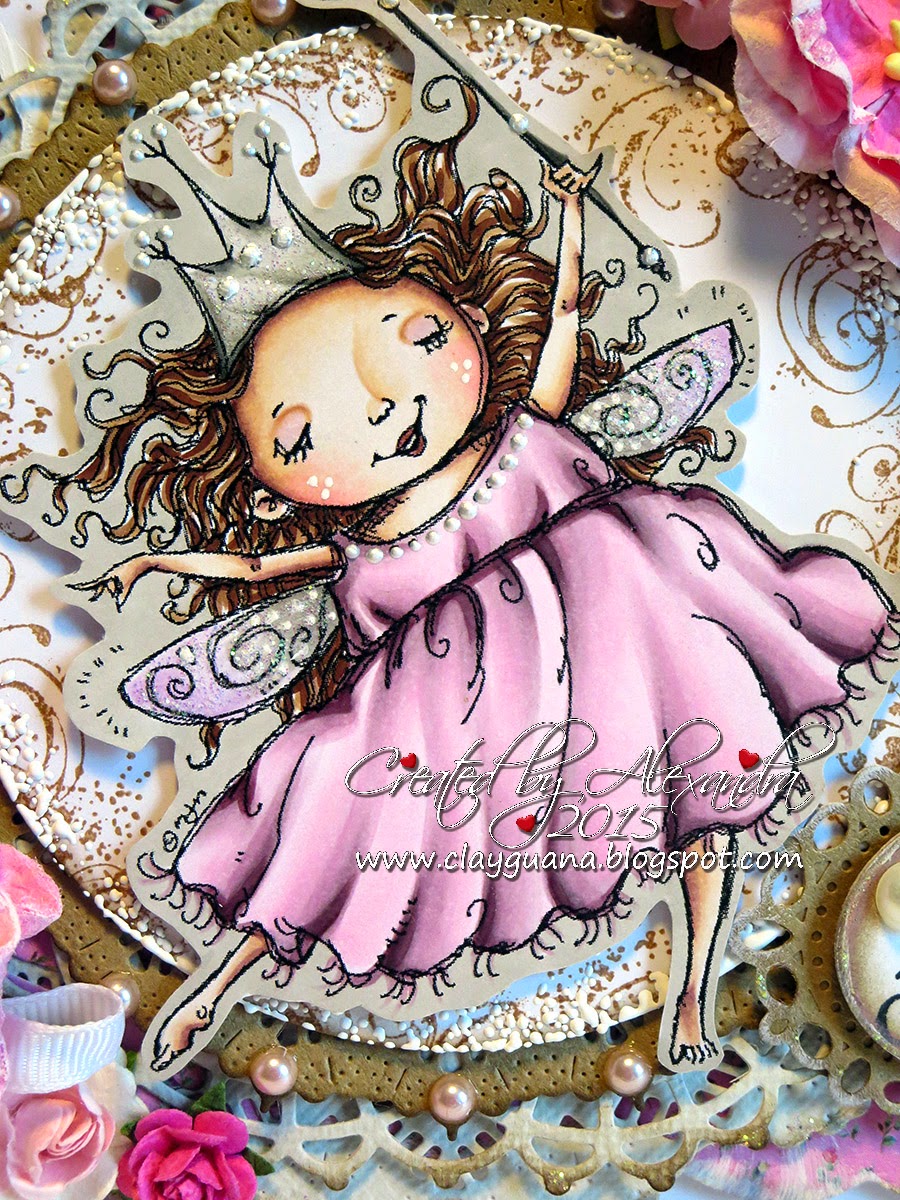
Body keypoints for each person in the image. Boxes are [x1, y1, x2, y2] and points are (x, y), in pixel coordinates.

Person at [7, 89, 896, 1075]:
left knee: (705, 766)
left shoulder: (526, 431)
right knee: (334, 789)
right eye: (302, 437)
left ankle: (692, 987)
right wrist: (162, 559)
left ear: (464, 319)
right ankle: (217, 987)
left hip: (631, 634)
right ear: (262, 483)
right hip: (462, 731)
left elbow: (560, 319)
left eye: (414, 341)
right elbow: (257, 566)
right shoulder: (357, 553)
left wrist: (566, 217)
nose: (385, 415)